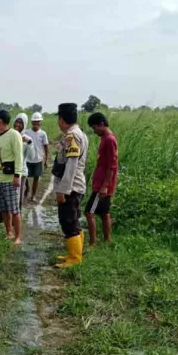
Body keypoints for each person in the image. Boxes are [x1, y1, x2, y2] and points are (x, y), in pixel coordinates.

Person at [52, 103, 89, 268]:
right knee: (73, 220)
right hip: (76, 186)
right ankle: (75, 253)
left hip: (71, 187)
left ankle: (75, 258)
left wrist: (63, 190)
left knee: (68, 222)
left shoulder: (72, 136)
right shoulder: (78, 134)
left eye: (58, 119)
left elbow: (71, 166)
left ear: (61, 119)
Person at [0, 110, 24, 245]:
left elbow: (19, 156)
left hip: (10, 179)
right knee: (3, 209)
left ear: (1, 121)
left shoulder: (14, 135)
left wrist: (17, 175)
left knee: (14, 209)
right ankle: (8, 232)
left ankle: (18, 237)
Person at [85, 113, 118, 247]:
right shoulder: (106, 138)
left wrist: (104, 185)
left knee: (89, 212)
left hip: (102, 185)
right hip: (102, 182)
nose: (94, 131)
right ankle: (107, 240)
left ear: (101, 124)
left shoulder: (109, 140)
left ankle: (93, 243)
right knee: (105, 213)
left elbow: (112, 165)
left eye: (94, 128)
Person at [24, 112, 49, 203]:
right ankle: (27, 188)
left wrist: (46, 160)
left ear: (41, 122)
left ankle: (33, 195)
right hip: (28, 159)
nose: (36, 124)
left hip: (38, 159)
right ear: (31, 122)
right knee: (25, 175)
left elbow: (46, 147)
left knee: (36, 178)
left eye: (37, 122)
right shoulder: (26, 132)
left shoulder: (43, 134)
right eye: (34, 122)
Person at [13, 113, 33, 209]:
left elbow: (31, 157)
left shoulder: (27, 139)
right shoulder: (9, 135)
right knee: (10, 199)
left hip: (21, 172)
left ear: (24, 125)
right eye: (17, 121)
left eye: (21, 123)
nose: (18, 124)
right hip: (8, 171)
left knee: (18, 200)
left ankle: (17, 221)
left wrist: (29, 143)